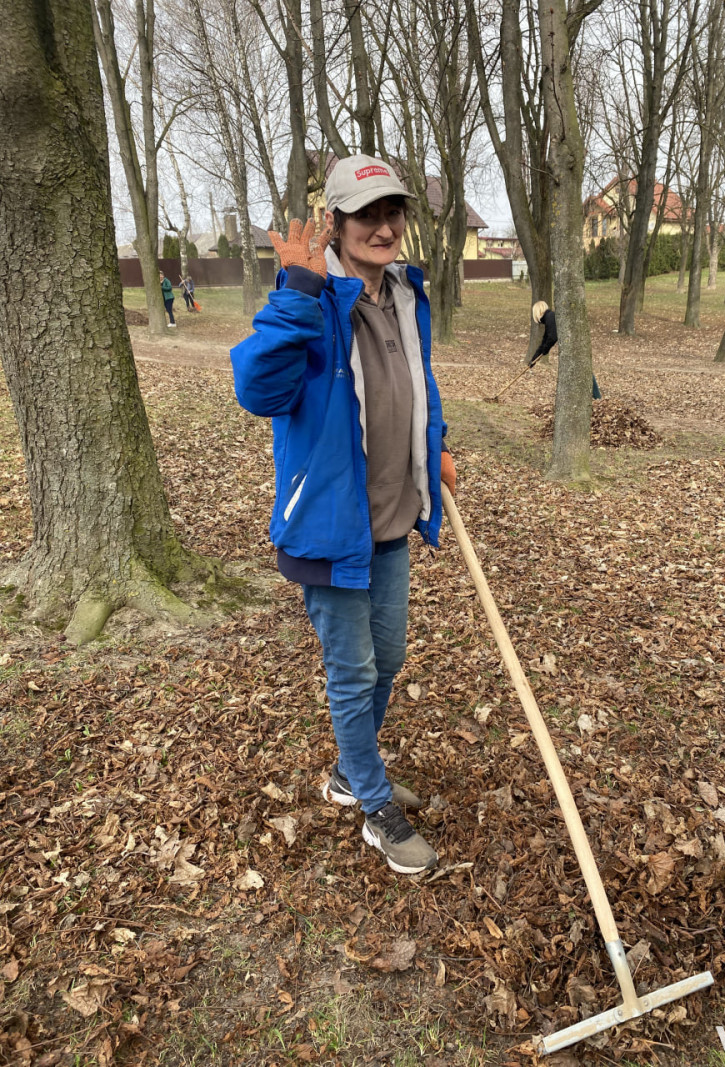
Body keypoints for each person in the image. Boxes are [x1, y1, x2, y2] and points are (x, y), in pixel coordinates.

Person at [230, 155, 455, 876]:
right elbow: (256, 388)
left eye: (393, 212)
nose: (384, 227)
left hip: (390, 523)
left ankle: (347, 770)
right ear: (336, 222)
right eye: (367, 214)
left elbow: (416, 384)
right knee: (354, 676)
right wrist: (297, 288)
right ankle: (373, 804)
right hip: (330, 528)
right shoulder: (311, 299)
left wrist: (436, 446)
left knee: (386, 660)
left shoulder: (405, 295)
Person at [528, 300, 601, 398]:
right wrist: (533, 360)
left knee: (584, 371)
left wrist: (546, 349)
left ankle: (597, 397)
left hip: (575, 346)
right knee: (581, 371)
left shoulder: (550, 317)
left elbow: (553, 337)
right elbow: (544, 342)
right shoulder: (550, 318)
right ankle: (592, 397)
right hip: (574, 345)